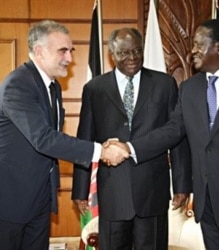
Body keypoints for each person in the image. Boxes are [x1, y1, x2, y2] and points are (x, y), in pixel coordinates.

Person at [110, 19, 219, 250]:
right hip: (208, 208)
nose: (192, 50)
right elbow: (172, 130)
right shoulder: (190, 89)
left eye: (198, 44)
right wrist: (129, 148)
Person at [0, 20, 128, 250]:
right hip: (10, 202)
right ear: (39, 51)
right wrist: (100, 151)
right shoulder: (17, 85)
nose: (70, 58)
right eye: (63, 51)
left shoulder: (53, 87)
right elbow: (44, 138)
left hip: (39, 198)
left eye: (71, 51)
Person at [72, 27, 192, 250]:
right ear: (112, 54)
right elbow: (84, 139)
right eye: (124, 53)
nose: (132, 58)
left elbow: (176, 135)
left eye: (137, 51)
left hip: (152, 190)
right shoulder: (95, 89)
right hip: (113, 192)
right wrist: (80, 189)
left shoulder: (164, 84)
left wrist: (182, 184)